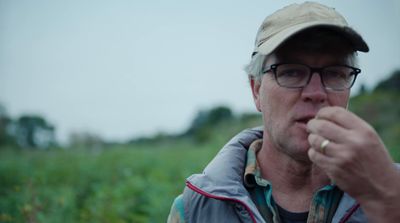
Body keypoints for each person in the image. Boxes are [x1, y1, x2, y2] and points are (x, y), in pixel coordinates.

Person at [168, 2, 400, 223]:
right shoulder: (196, 209)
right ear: (256, 90)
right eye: (291, 72)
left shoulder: (390, 189)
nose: (316, 92)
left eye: (335, 73)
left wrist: (389, 201)